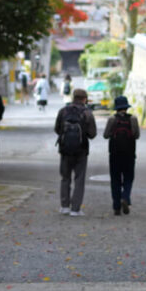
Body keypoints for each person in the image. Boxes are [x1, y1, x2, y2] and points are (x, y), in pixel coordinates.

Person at [54, 87, 97, 216]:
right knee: (79, 179)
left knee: (65, 178)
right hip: (81, 151)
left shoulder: (63, 111)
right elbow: (92, 134)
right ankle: (75, 209)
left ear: (73, 97)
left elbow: (57, 129)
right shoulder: (87, 113)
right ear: (84, 99)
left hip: (65, 150)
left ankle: (64, 206)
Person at [103, 95, 141, 215]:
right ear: (126, 107)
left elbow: (105, 135)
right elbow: (137, 135)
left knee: (115, 179)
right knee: (128, 178)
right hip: (129, 153)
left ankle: (116, 207)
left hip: (114, 154)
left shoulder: (112, 119)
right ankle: (125, 197)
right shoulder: (133, 119)